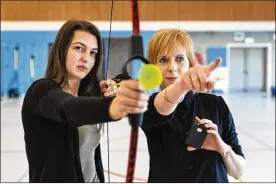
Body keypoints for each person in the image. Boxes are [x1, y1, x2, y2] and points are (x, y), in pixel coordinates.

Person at [21, 19, 149, 182]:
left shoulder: (90, 93)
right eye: (79, 48)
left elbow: (121, 80)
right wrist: (114, 107)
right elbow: (68, 108)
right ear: (61, 49)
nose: (86, 58)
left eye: (92, 53)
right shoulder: (41, 92)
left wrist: (120, 85)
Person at [140, 29, 246, 182]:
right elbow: (165, 103)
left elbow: (238, 172)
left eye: (179, 58)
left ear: (190, 63)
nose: (172, 67)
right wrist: (182, 85)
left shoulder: (216, 104)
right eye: (163, 60)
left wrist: (221, 147)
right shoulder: (149, 107)